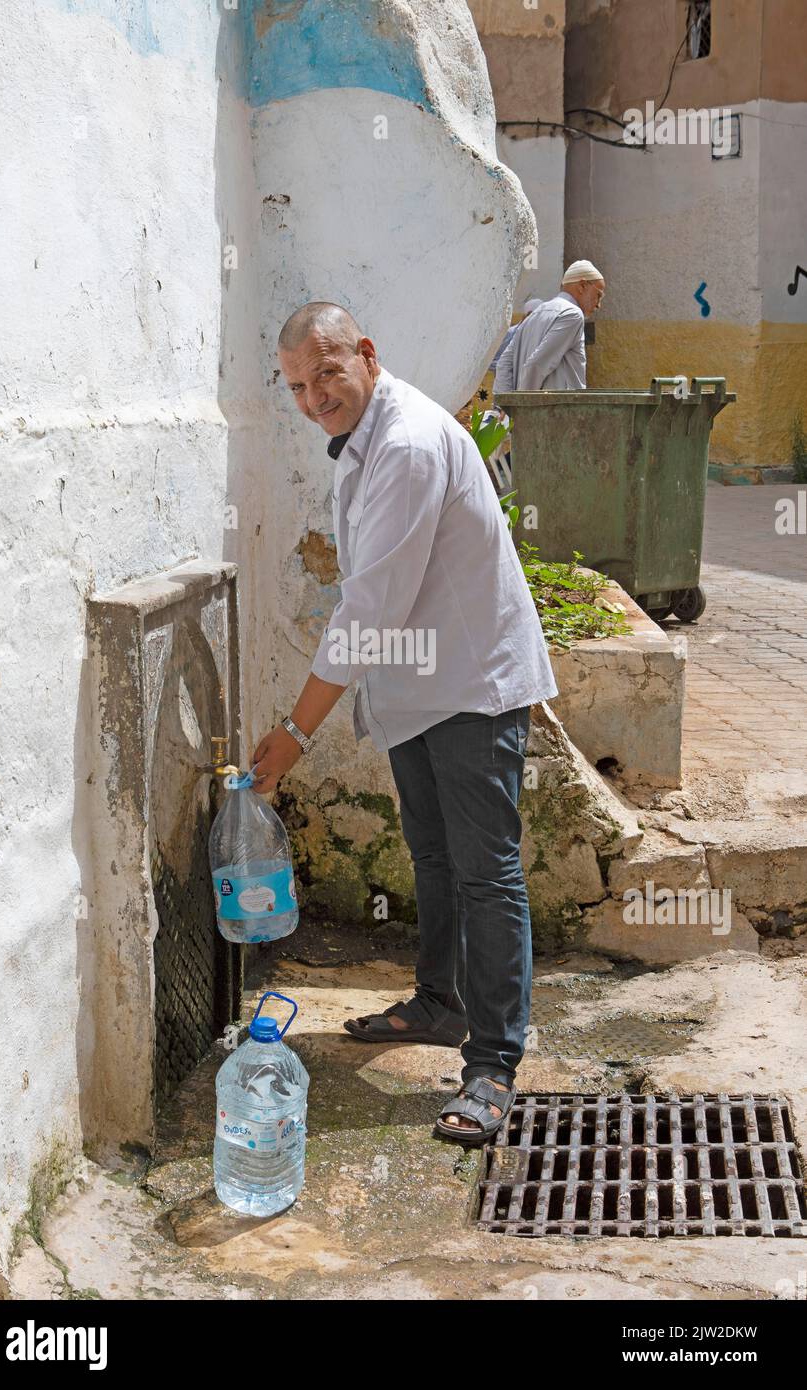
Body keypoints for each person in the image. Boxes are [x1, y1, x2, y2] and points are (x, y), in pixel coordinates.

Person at [251, 301, 557, 1145]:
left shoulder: (412, 442)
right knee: (432, 854)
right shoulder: (367, 434)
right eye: (297, 387)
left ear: (366, 354)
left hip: (470, 683)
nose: (314, 398)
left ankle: (492, 1066)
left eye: (327, 375)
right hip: (419, 684)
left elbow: (371, 608)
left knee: (486, 872)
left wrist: (296, 732)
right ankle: (440, 1002)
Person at [493, 260, 605, 392]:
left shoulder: (535, 313)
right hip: (555, 411)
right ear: (582, 286)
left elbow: (504, 364)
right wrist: (522, 405)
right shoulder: (572, 314)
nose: (598, 305)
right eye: (598, 295)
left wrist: (505, 406)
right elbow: (537, 364)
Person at [488, 297, 543, 375]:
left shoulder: (540, 336)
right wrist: (511, 365)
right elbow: (491, 362)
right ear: (528, 315)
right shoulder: (509, 333)